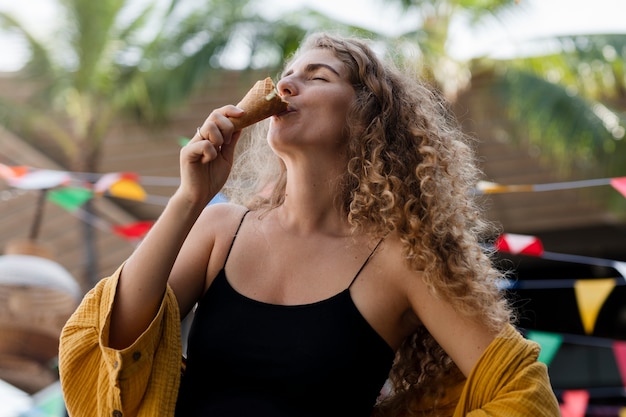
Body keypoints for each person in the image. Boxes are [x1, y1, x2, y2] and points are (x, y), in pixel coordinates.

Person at [59, 32, 560, 417]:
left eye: (318, 76)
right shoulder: (220, 228)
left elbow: (523, 389)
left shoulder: (400, 260)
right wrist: (191, 197)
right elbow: (114, 343)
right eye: (288, 73)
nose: (285, 86)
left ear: (367, 114)